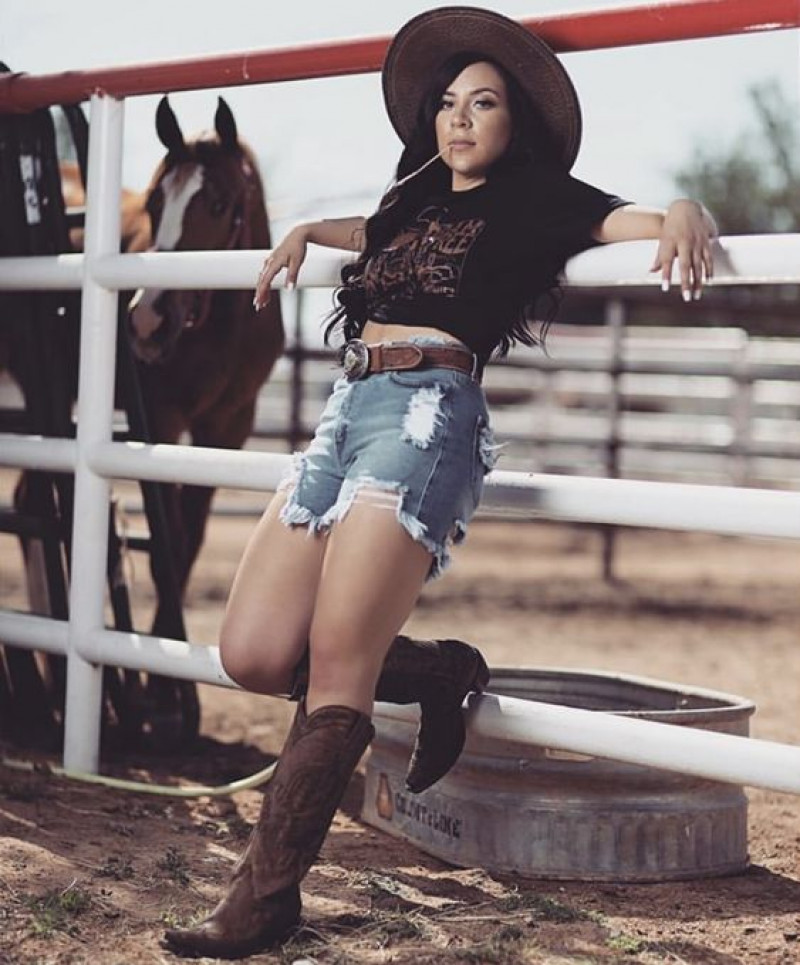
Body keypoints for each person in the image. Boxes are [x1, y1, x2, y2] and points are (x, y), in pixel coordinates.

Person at [163, 6, 716, 959]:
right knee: (252, 651)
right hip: (346, 415)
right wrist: (302, 228)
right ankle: (435, 669)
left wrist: (686, 210)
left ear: (514, 123)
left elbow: (627, 216)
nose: (460, 119)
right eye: (449, 104)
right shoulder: (411, 199)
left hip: (427, 417)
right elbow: (366, 228)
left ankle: (263, 900)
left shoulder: (536, 196)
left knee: (336, 666)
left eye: (484, 102)